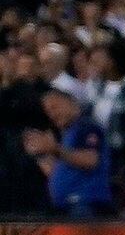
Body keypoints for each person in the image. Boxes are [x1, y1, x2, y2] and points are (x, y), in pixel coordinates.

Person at [23, 85, 113, 216]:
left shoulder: (87, 127)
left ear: (71, 102)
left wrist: (54, 149)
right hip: (65, 207)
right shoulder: (67, 134)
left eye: (54, 107)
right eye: (48, 111)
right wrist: (40, 153)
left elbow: (90, 160)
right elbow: (62, 170)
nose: (52, 114)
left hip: (85, 206)